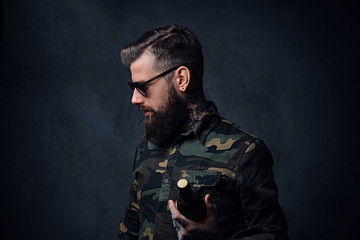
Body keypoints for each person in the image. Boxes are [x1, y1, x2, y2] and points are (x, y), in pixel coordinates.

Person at [118, 24, 289, 240]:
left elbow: (272, 235)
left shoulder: (245, 152)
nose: (135, 99)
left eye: (143, 87)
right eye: (132, 87)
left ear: (181, 79)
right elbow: (131, 228)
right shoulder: (146, 146)